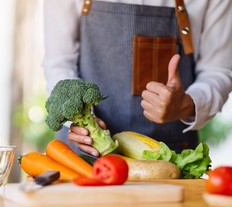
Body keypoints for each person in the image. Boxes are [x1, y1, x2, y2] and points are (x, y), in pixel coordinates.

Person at [42, 0, 232, 157]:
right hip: (83, 152)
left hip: (168, 157)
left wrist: (187, 104)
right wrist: (83, 120)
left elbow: (218, 70)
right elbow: (58, 63)